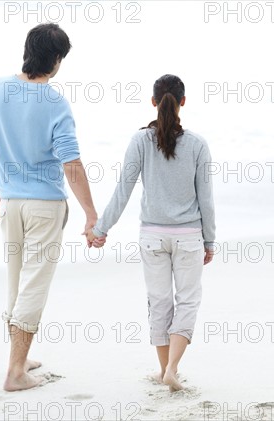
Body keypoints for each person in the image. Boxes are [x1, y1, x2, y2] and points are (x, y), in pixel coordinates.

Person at [0, 23, 99, 392]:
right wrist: (92, 214)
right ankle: (16, 372)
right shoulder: (55, 102)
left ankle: (20, 358)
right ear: (57, 60)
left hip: (10, 203)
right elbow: (71, 165)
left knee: (16, 281)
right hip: (44, 206)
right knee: (33, 286)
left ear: (27, 49)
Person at [87, 74, 216, 392]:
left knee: (158, 303)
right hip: (188, 236)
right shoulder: (198, 144)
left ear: (153, 102)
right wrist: (209, 240)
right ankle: (172, 369)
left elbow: (123, 190)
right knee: (187, 301)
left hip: (152, 237)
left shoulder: (140, 140)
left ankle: (164, 371)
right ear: (183, 102)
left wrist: (100, 229)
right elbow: (206, 200)